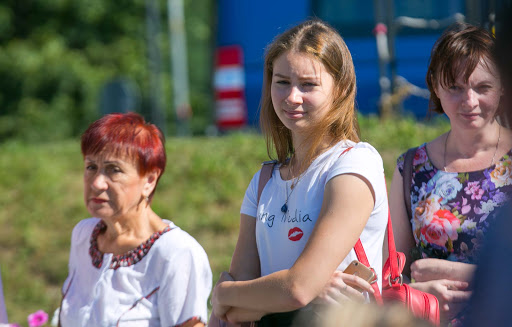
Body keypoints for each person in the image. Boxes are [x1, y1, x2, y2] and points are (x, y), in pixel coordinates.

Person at [211, 20, 388, 326]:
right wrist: (236, 300)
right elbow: (234, 316)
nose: (292, 97)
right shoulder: (263, 181)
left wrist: (225, 293)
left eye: (308, 84)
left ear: (341, 88)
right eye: (281, 82)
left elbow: (297, 289)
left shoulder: (354, 163)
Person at [388, 22, 512, 326]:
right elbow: (390, 275)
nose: (469, 102)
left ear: (503, 87)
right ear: (435, 86)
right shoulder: (410, 168)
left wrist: (455, 274)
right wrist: (416, 293)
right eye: (456, 88)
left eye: (482, 87)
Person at [59, 113, 212, 327]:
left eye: (114, 170)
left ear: (149, 180)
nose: (97, 183)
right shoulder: (83, 235)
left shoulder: (176, 253)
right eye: (91, 167)